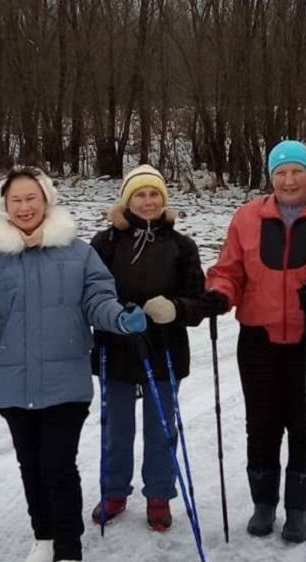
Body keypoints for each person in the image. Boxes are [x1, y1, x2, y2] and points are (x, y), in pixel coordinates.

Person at [0, 166, 147, 562]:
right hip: (14, 381)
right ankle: (43, 536)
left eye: (32, 198)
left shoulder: (78, 254)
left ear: (46, 201)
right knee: (30, 465)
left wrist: (121, 319)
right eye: (16, 200)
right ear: (5, 206)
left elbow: (98, 300)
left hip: (66, 380)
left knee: (58, 466)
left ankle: (69, 555)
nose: (24, 207)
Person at [202, 140, 306, 543]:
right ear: (271, 177)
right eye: (281, 172)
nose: (289, 180)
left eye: (297, 171)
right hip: (259, 337)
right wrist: (219, 293)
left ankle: (298, 508)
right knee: (262, 422)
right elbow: (229, 270)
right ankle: (264, 503)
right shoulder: (247, 217)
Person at [88, 165, 207, 532]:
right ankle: (114, 491)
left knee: (161, 427)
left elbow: (198, 301)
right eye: (140, 194)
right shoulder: (105, 243)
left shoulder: (182, 246)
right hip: (116, 347)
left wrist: (175, 309)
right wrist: (114, 313)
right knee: (117, 427)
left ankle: (159, 495)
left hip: (164, 348)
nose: (148, 201)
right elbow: (89, 293)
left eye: (154, 194)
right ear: (127, 200)